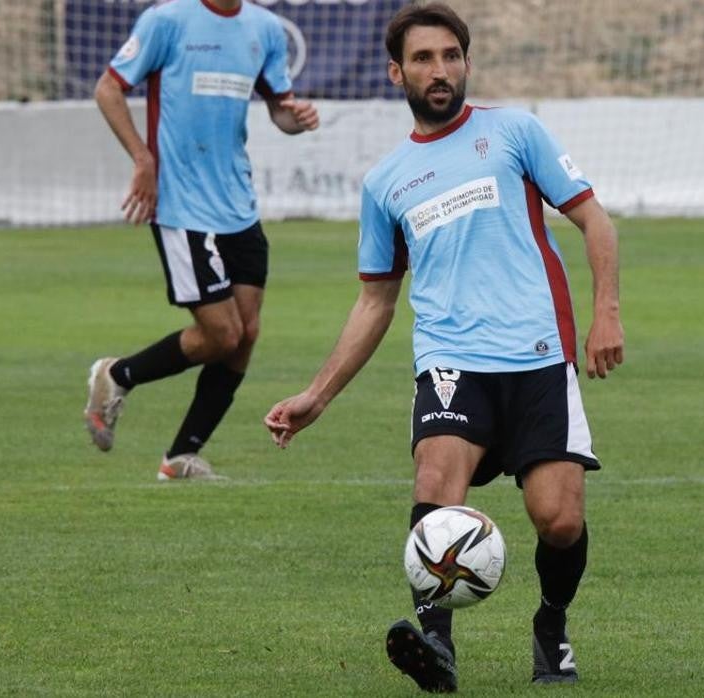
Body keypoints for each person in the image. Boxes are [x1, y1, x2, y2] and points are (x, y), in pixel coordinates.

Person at [263, 2, 623, 691]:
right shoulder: (387, 181)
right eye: (424, 59)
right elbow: (375, 300)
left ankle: (551, 624)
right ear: (398, 72)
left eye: (451, 56)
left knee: (560, 520)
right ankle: (436, 647)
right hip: (452, 364)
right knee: (435, 484)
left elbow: (593, 219)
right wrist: (318, 394)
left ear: (465, 62)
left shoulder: (515, 133)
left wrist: (606, 311)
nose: (440, 70)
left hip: (540, 357)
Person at [84, 0, 319, 480]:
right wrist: (144, 160)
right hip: (181, 205)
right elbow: (108, 89)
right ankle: (116, 375)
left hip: (238, 204)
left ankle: (179, 458)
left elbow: (280, 112)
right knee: (221, 333)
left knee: (245, 335)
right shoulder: (166, 21)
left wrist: (296, 117)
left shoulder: (265, 29)